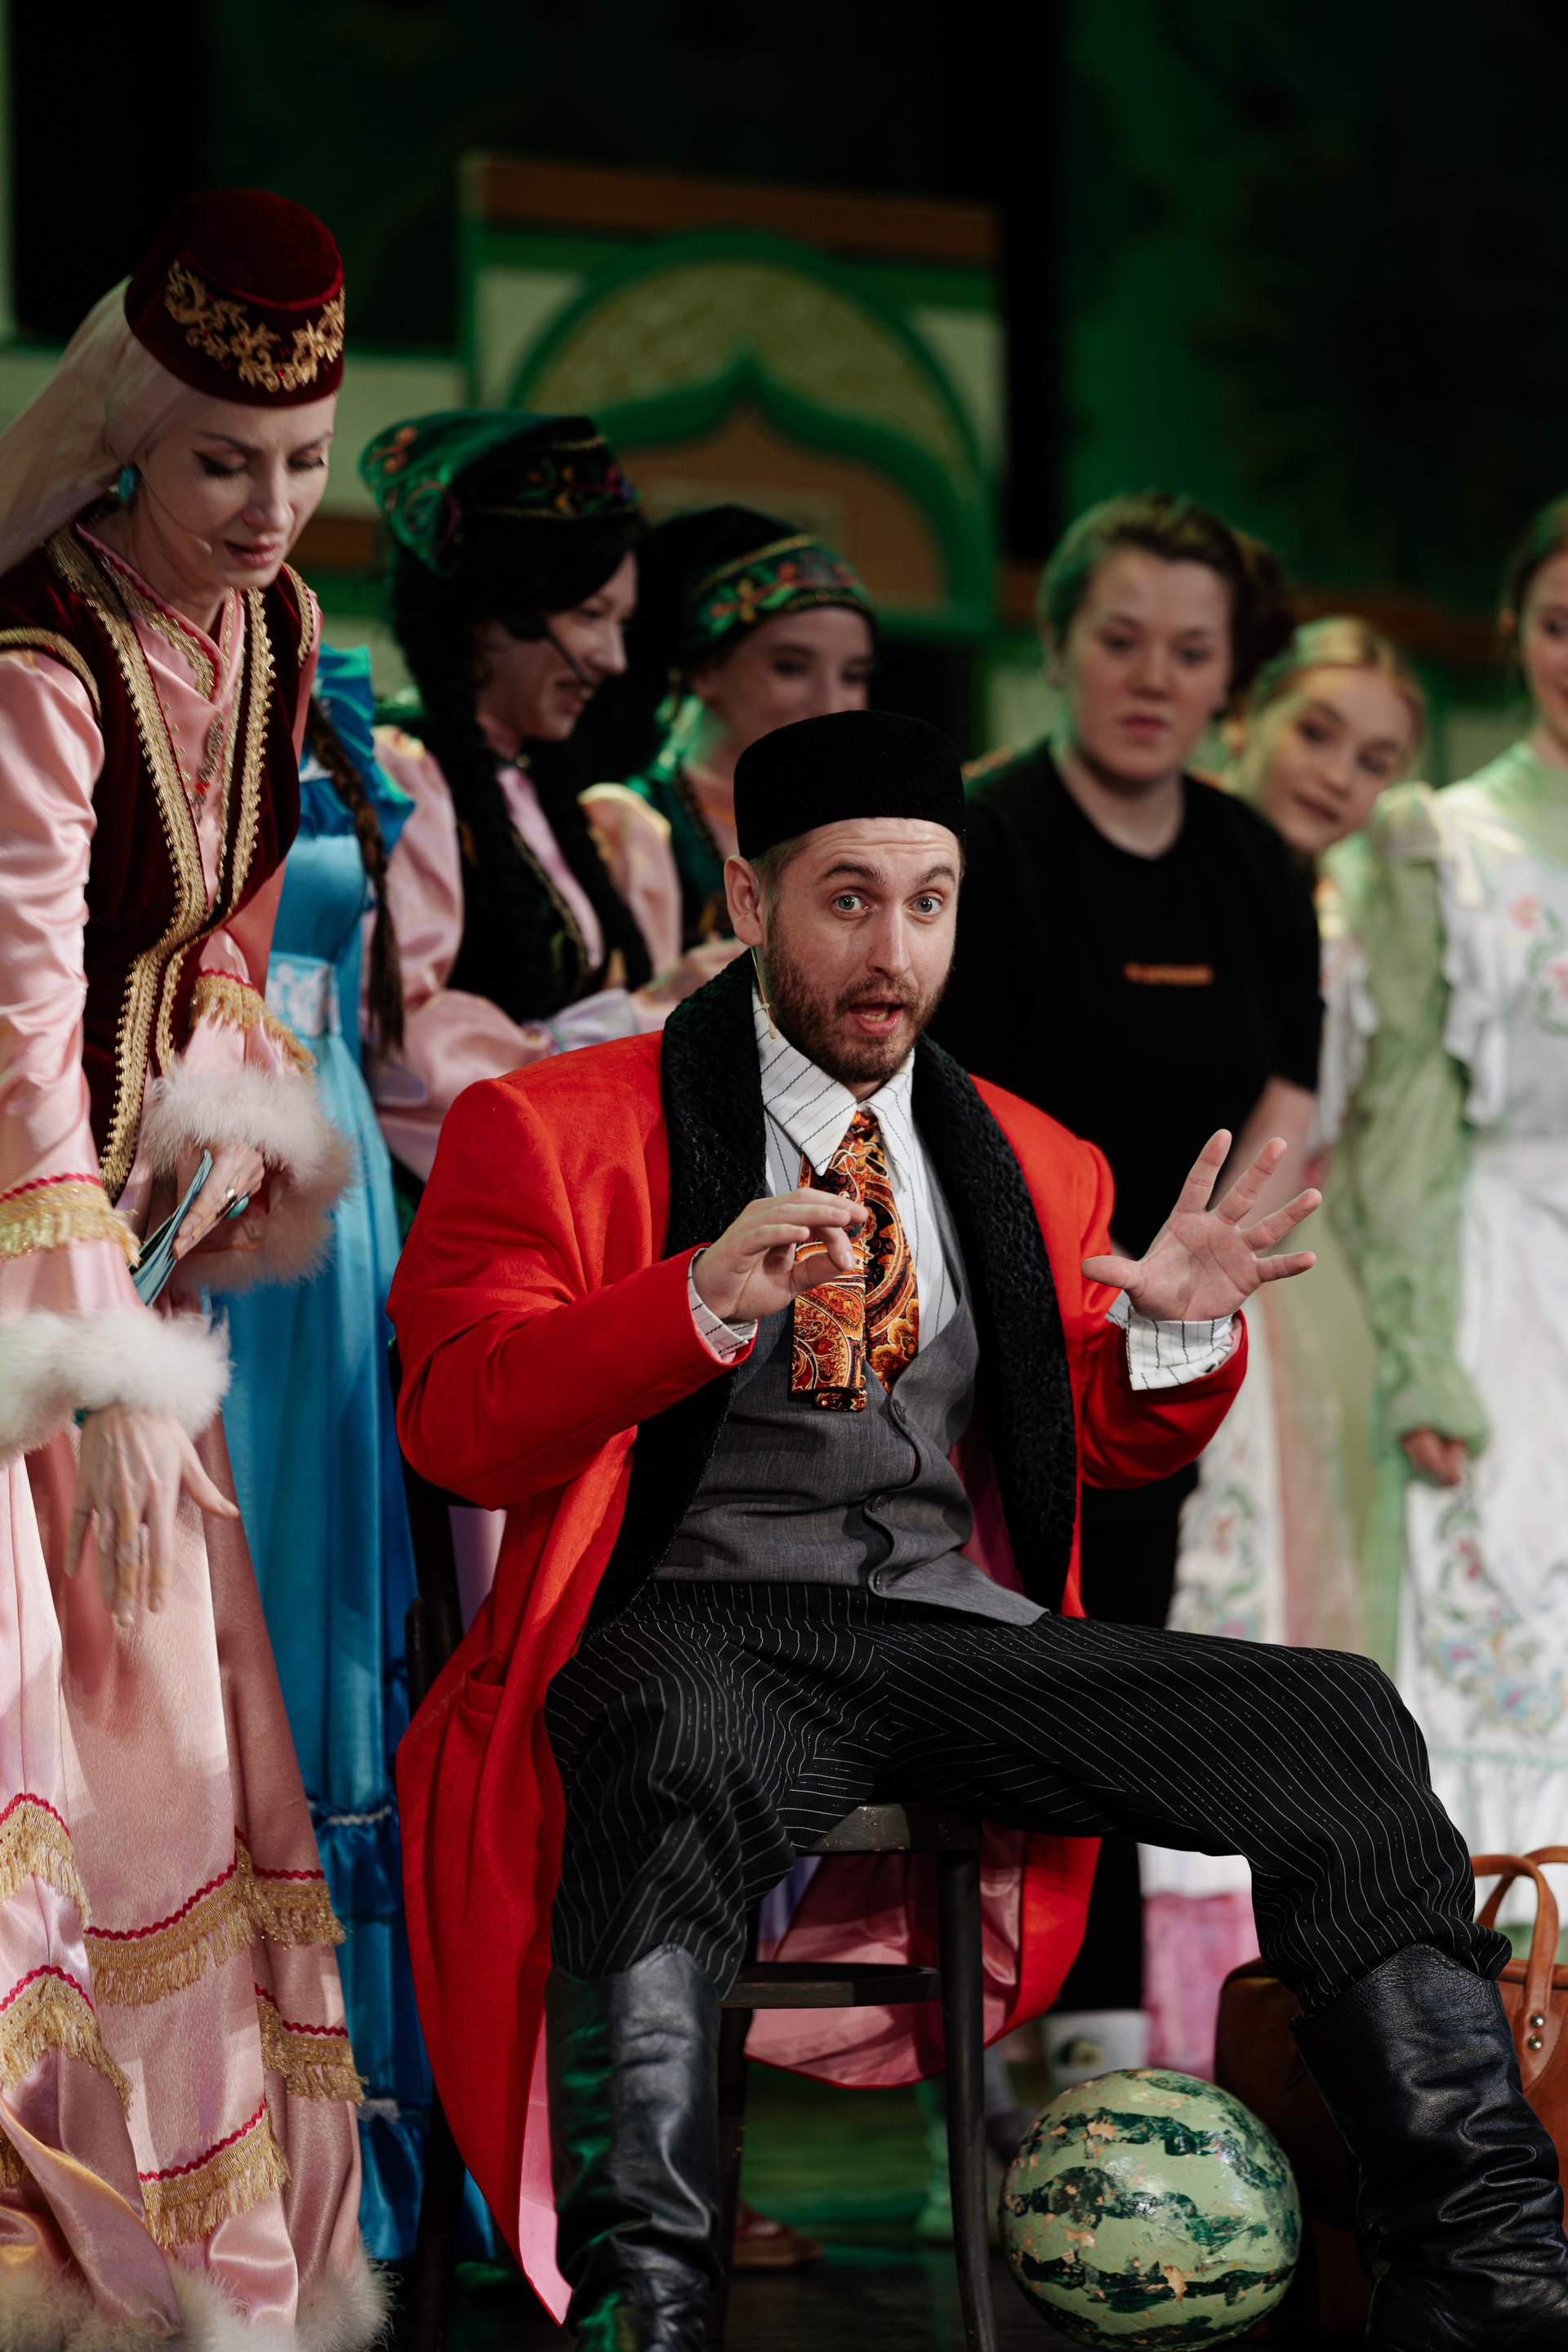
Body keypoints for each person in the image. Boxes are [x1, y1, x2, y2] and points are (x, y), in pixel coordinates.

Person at [389, 706, 1566, 2352]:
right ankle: (641, 2308)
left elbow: (1106, 1443)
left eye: (928, 904)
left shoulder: (1030, 1157)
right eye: (848, 900)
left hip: (941, 1629)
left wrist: (1176, 1338)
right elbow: (457, 1425)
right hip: (693, 1624)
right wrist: (688, 1303)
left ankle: (1490, 2278)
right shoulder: (551, 1127)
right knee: (667, 1750)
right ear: (748, 898)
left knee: (1338, 1717)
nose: (894, 952)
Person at [0, 192, 381, 2341]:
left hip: (120, 1258)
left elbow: (215, 929)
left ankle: (153, 2278)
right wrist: (99, 1377)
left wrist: (227, 1080)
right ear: (132, 433)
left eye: (304, 460)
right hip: (17, 1266)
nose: (268, 506)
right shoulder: (39, 663)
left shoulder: (278, 628)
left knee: (165, 1777)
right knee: (49, 1759)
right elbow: (18, 1033)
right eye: (226, 460)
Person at [930, 490, 1321, 2084]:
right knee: (1004, 1664)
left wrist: (1202, 1274)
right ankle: (977, 2028)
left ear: (1231, 676)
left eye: (1191, 652)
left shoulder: (1252, 861)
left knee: (1128, 1658)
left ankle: (1088, 2041)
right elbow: (929, 1091)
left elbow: (1291, 1084)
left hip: (1171, 1335)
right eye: (1121, 640)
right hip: (985, 1320)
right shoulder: (985, 834)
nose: (1154, 679)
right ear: (1055, 645)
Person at [1146, 616, 1427, 2075]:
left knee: (1305, 1623)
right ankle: (1158, 2013)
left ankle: (1299, 2017)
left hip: (1310, 1295)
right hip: (1177, 1256)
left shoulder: (1360, 917)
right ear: (1246, 716)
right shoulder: (1188, 882)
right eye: (1317, 732)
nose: (1337, 775)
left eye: (1374, 759)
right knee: (1197, 1605)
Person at [220, 643, 440, 2256]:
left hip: (336, 1177)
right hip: (191, 1165)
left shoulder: (340, 712)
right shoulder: (79, 701)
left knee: (328, 1612)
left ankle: (340, 2145)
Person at [1334, 495, 1568, 1877]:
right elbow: (1410, 1115)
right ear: (1514, 633)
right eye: (1559, 625)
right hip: (1506, 1275)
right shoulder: (1448, 842)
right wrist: (1424, 1357)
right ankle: (1509, 1971)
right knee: (1500, 1619)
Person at [357, 412, 736, 1203]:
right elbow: (403, 1051)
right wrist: (645, 1016)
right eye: (590, 616)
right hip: (433, 1210)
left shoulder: (537, 795)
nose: (614, 657)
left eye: (622, 624)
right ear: (492, 613)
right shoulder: (402, 780)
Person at [614, 504, 875, 945]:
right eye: (791, 668)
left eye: (853, 676)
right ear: (706, 672)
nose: (832, 705)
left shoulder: (857, 832)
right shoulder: (630, 825)